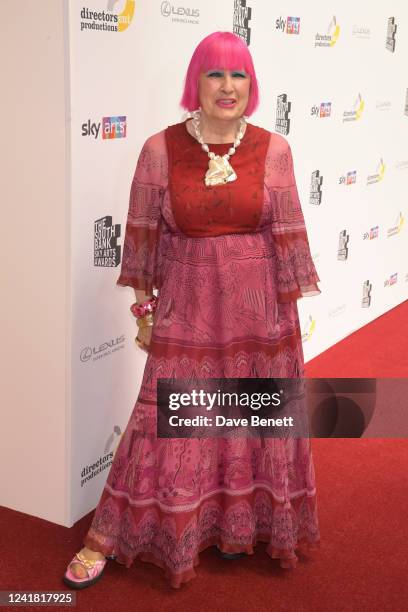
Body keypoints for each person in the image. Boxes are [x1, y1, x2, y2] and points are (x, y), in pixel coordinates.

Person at [63, 30, 321, 590]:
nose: (227, 87)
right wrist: (145, 312)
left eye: (239, 76)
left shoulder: (276, 149)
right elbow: (143, 237)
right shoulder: (160, 149)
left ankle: (241, 525)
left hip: (260, 315)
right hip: (190, 306)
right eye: (215, 74)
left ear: (251, 86)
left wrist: (285, 327)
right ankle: (104, 535)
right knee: (165, 423)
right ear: (195, 83)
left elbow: (290, 233)